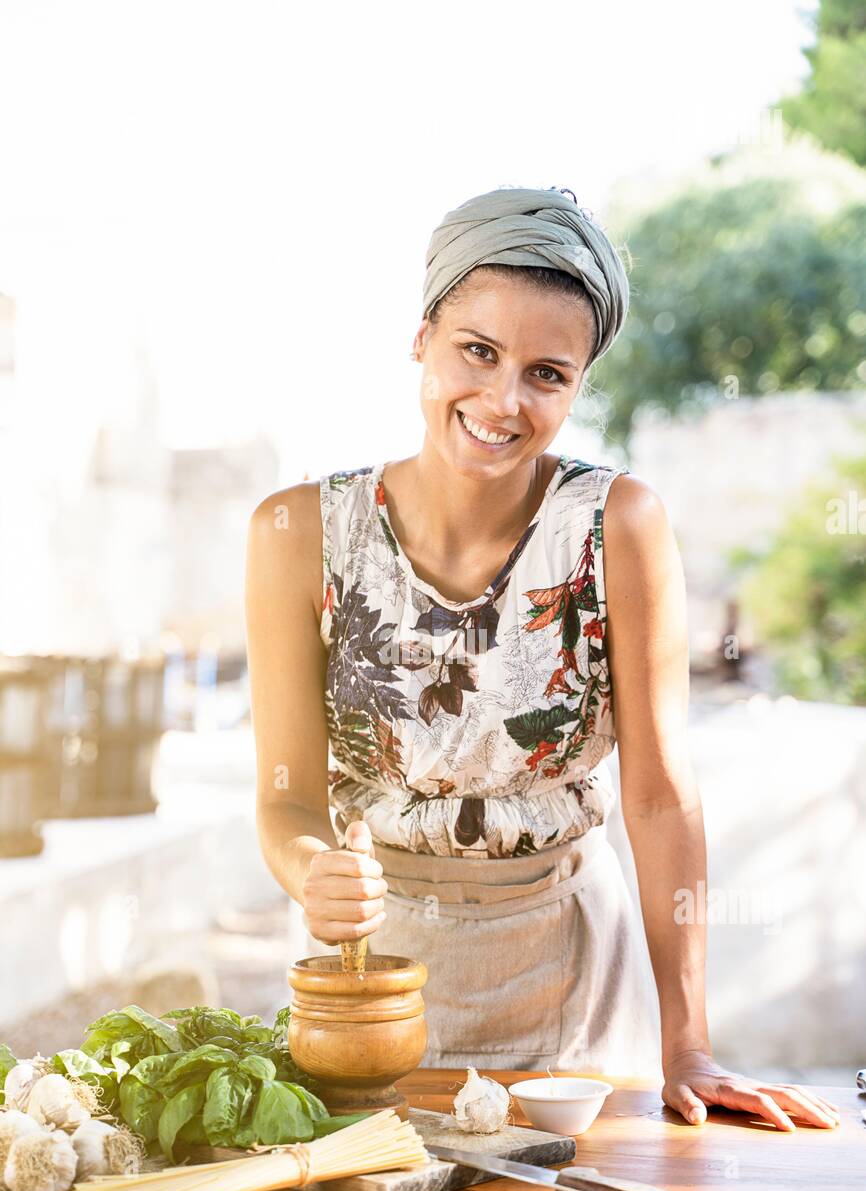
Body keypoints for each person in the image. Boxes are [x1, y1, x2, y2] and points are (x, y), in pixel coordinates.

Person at [245, 185, 839, 1133]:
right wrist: (313, 868)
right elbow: (285, 796)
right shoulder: (298, 532)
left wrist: (689, 1042)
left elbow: (658, 795)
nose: (503, 400)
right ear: (422, 338)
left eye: (547, 373)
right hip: (369, 984)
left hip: (569, 974)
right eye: (476, 351)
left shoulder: (618, 524)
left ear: (576, 385)